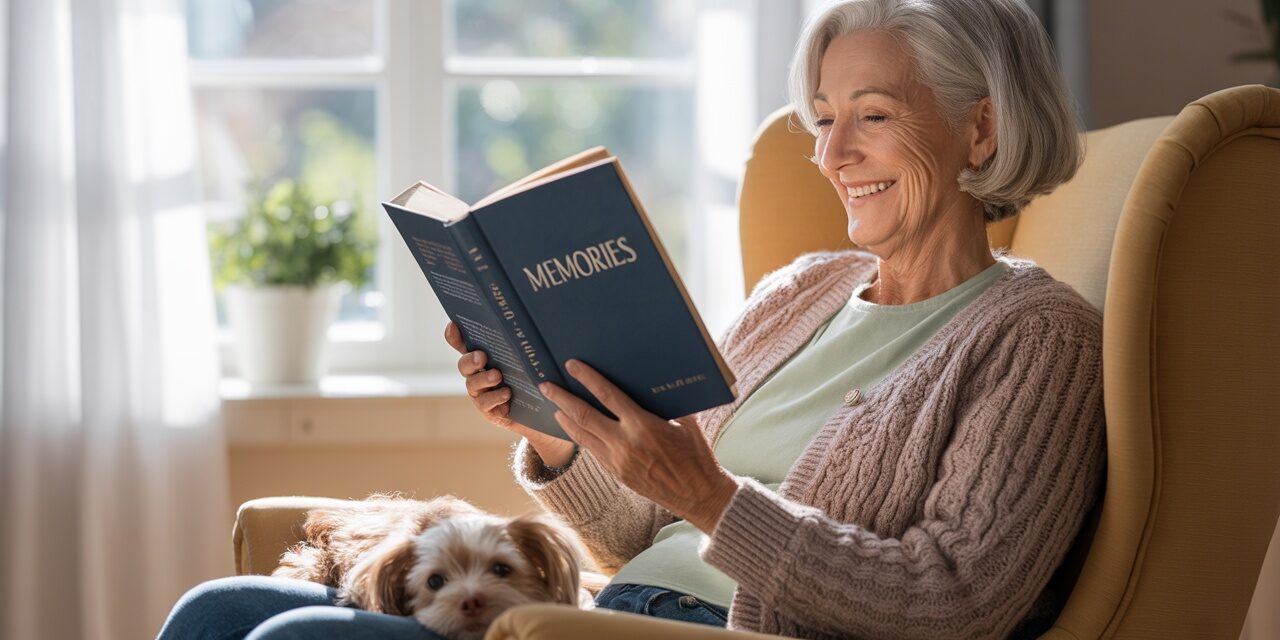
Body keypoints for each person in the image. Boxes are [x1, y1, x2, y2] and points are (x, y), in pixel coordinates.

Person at [156, 0, 1102, 638]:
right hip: (612, 608)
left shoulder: (1038, 337)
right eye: (822, 119)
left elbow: (957, 603)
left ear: (980, 128)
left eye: (874, 116)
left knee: (293, 637)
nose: (832, 155)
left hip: (702, 634)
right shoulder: (803, 290)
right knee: (215, 613)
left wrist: (713, 500)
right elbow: (639, 529)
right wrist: (551, 426)